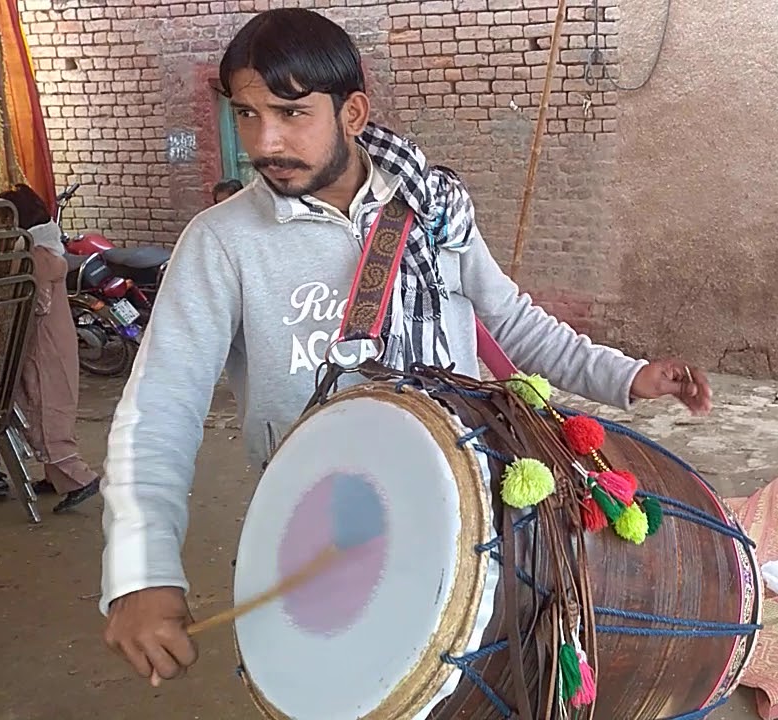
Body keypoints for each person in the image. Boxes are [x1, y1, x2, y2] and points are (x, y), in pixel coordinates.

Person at [99, 8, 713, 687]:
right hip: (327, 525)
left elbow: (510, 319)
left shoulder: (434, 205)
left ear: (353, 113)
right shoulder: (221, 242)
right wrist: (141, 570)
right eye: (246, 114)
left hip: (475, 495)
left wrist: (626, 376)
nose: (264, 142)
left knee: (504, 671)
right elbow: (160, 408)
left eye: (291, 113)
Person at [0, 184, 102, 513]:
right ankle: (57, 476)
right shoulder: (41, 249)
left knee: (46, 411)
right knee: (42, 408)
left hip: (43, 345)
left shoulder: (34, 256)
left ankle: (79, 478)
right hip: (47, 343)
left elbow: (32, 305)